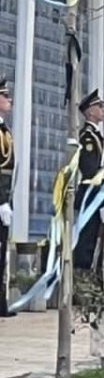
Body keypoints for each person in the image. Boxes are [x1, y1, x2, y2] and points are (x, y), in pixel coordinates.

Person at [74, 89, 104, 273]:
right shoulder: (88, 137)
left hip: (96, 196)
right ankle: (81, 280)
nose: (103, 110)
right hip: (90, 196)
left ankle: (89, 278)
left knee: (94, 241)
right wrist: (102, 200)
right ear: (89, 112)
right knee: (86, 243)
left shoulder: (96, 135)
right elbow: (91, 172)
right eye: (99, 106)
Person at [0, 78, 15, 317]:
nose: (9, 100)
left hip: (5, 198)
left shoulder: (4, 129)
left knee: (1, 253)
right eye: (5, 95)